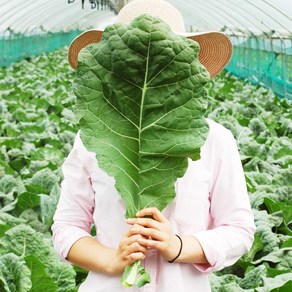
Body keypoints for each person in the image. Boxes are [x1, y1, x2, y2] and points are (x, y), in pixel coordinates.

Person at [51, 0, 256, 291]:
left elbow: (239, 231)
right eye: (130, 67)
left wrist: (178, 246)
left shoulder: (216, 141)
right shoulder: (91, 138)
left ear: (183, 73)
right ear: (113, 71)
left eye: (164, 62)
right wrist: (112, 259)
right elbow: (66, 227)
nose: (143, 75)